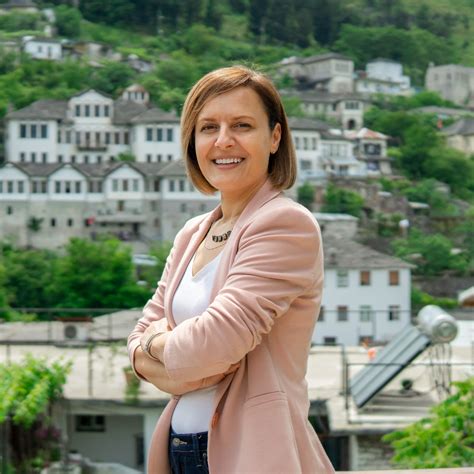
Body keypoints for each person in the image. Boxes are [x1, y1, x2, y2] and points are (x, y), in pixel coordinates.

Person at [127, 65, 335, 474]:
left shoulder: (285, 224)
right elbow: (139, 335)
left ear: (274, 137)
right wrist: (165, 351)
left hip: (249, 453)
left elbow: (212, 347)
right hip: (180, 450)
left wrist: (157, 347)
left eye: (242, 125)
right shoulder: (193, 233)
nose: (223, 140)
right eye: (208, 127)